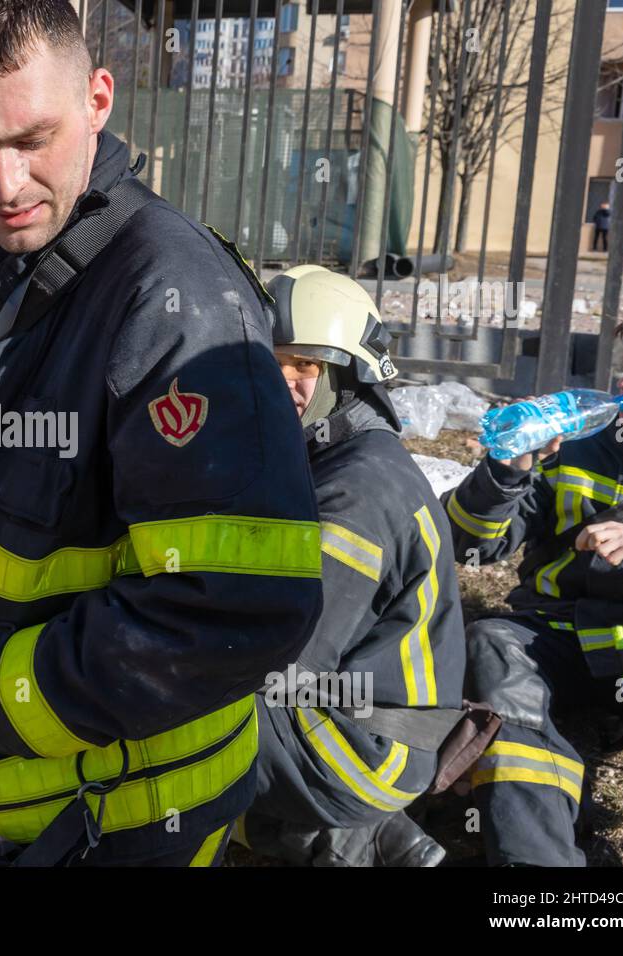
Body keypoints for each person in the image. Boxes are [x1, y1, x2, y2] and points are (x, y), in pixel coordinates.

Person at [0, 0, 322, 867]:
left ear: (100, 100)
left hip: (114, 823)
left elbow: (242, 602)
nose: (2, 186)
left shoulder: (168, 296)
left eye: (33, 138)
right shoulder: (23, 265)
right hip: (32, 815)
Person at [236, 266, 466, 866]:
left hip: (368, 748)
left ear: (350, 374)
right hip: (349, 721)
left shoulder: (357, 492)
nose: (282, 379)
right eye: (272, 360)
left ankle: (336, 834)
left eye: (306, 365)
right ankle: (345, 842)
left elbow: (282, 657)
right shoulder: (332, 459)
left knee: (166, 708)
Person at [444, 290, 623, 866]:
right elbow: (473, 545)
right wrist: (506, 470)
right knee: (493, 643)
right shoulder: (576, 447)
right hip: (560, 635)